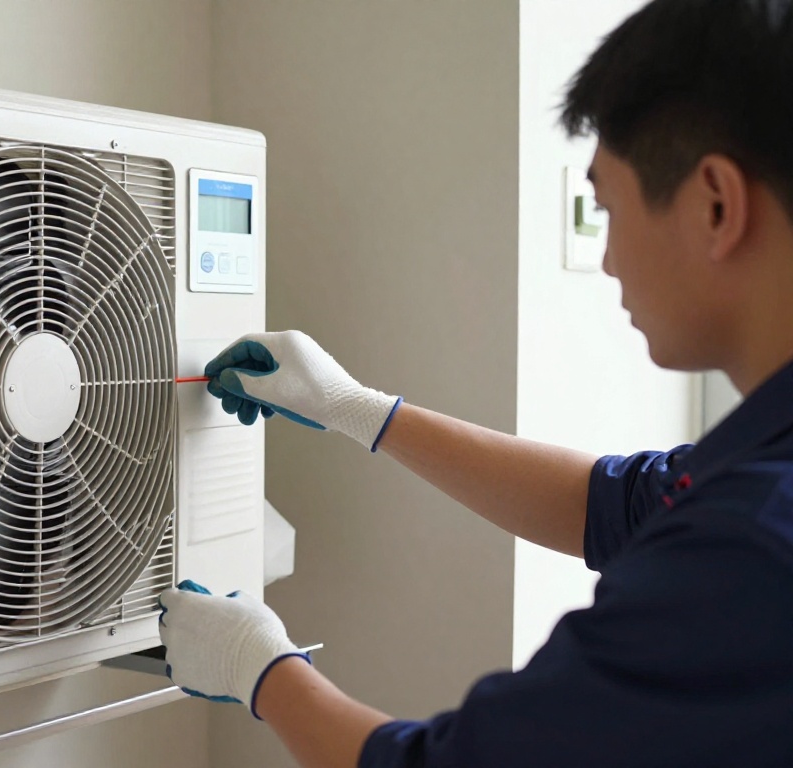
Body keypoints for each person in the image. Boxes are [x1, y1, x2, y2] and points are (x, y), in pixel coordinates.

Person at [156, 1, 793, 765]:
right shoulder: (757, 484)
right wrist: (360, 410)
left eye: (608, 207)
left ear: (716, 205)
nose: (611, 260)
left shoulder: (746, 550)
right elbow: (615, 505)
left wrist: (261, 671)